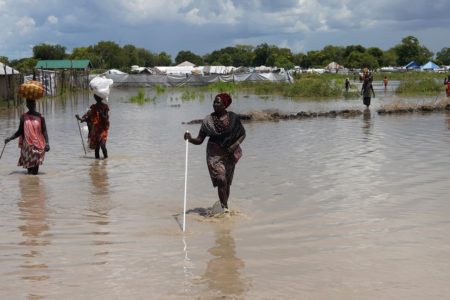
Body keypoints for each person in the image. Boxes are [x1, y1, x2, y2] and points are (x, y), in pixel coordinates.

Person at [184, 93, 246, 212]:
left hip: (229, 154)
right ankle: (225, 210)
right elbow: (200, 140)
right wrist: (190, 139)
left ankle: (223, 207)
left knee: (226, 183)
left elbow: (243, 134)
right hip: (214, 155)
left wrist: (235, 145)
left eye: (218, 102)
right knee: (221, 179)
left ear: (225, 105)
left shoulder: (233, 118)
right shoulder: (208, 121)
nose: (215, 104)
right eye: (214, 102)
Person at [4, 82, 50, 174]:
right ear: (27, 105)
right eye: (29, 103)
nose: (31, 105)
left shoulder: (41, 117)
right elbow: (20, 131)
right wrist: (10, 138)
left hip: (38, 146)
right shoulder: (23, 117)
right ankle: (29, 187)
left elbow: (44, 131)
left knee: (35, 172)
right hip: (27, 147)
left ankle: (35, 187)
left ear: (35, 104)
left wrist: (47, 143)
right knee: (29, 173)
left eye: (33, 103)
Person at [76, 77, 113, 159]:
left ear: (99, 97)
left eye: (95, 96)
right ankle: (96, 164)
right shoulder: (93, 107)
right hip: (96, 130)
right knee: (96, 149)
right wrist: (79, 118)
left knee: (103, 146)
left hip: (103, 129)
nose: (94, 97)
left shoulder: (105, 107)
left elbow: (106, 118)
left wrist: (101, 112)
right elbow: (88, 117)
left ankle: (105, 161)